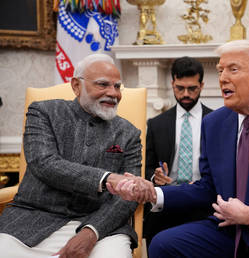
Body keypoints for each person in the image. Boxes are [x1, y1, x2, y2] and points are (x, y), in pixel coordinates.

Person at [110, 40, 249, 258]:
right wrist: (153, 193)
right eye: (220, 71)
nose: (223, 78)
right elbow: (208, 188)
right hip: (231, 226)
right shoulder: (215, 123)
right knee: (165, 244)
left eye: (233, 69)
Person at [0, 53, 145, 258]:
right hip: (32, 220)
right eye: (103, 84)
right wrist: (105, 178)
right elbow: (44, 163)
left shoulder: (129, 133)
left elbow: (128, 196)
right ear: (76, 86)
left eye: (117, 86)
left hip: (101, 225)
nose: (113, 93)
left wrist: (91, 232)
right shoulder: (44, 112)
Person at [143, 56, 213, 246]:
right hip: (167, 200)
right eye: (179, 88)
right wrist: (154, 177)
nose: (185, 94)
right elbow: (146, 167)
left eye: (192, 88)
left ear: (202, 85)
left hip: (204, 201)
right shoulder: (157, 124)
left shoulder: (217, 120)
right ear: (172, 83)